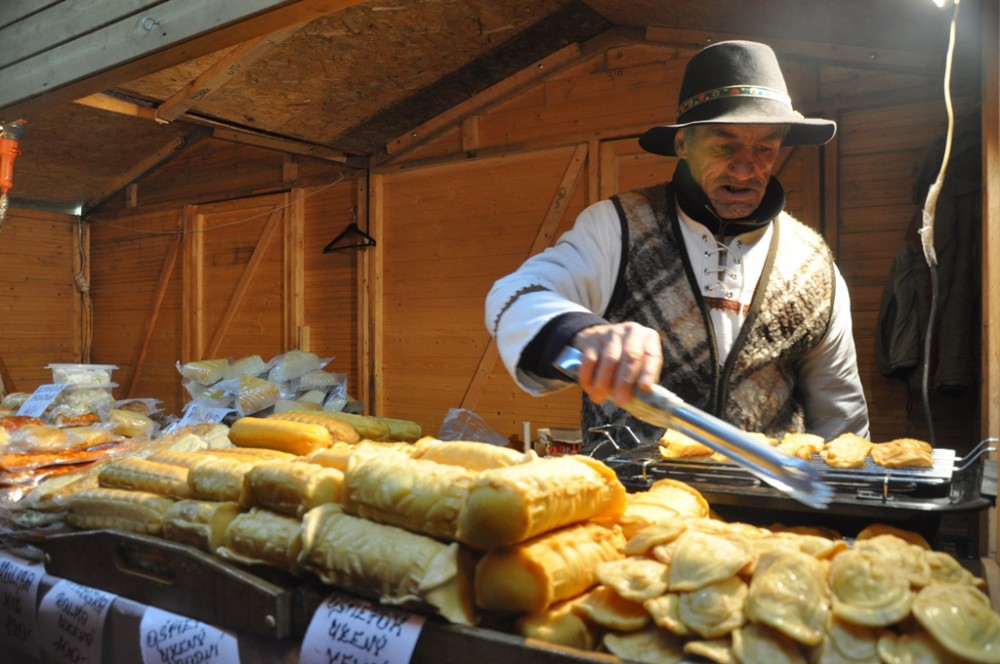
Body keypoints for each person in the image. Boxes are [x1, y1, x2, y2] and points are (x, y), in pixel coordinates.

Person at [485, 40, 870, 445]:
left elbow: (841, 414)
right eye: (725, 145)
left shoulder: (813, 263)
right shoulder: (619, 225)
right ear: (683, 144)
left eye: (764, 148)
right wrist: (582, 332)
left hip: (766, 486)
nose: (745, 169)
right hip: (625, 486)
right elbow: (514, 294)